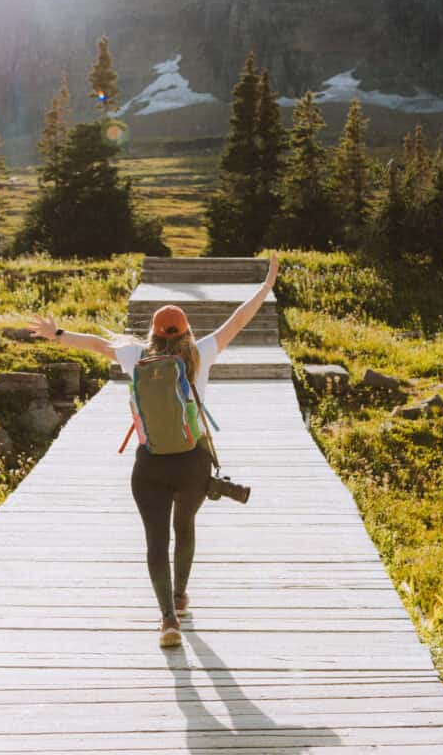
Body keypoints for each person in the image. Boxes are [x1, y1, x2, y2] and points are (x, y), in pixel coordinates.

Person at [29, 252, 279, 647]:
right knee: (186, 528)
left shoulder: (135, 356)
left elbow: (95, 343)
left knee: (155, 540)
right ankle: (180, 597)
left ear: (154, 333)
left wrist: (58, 334)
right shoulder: (202, 353)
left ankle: (167, 621)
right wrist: (265, 287)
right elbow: (239, 321)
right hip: (193, 461)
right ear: (185, 332)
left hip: (150, 464)